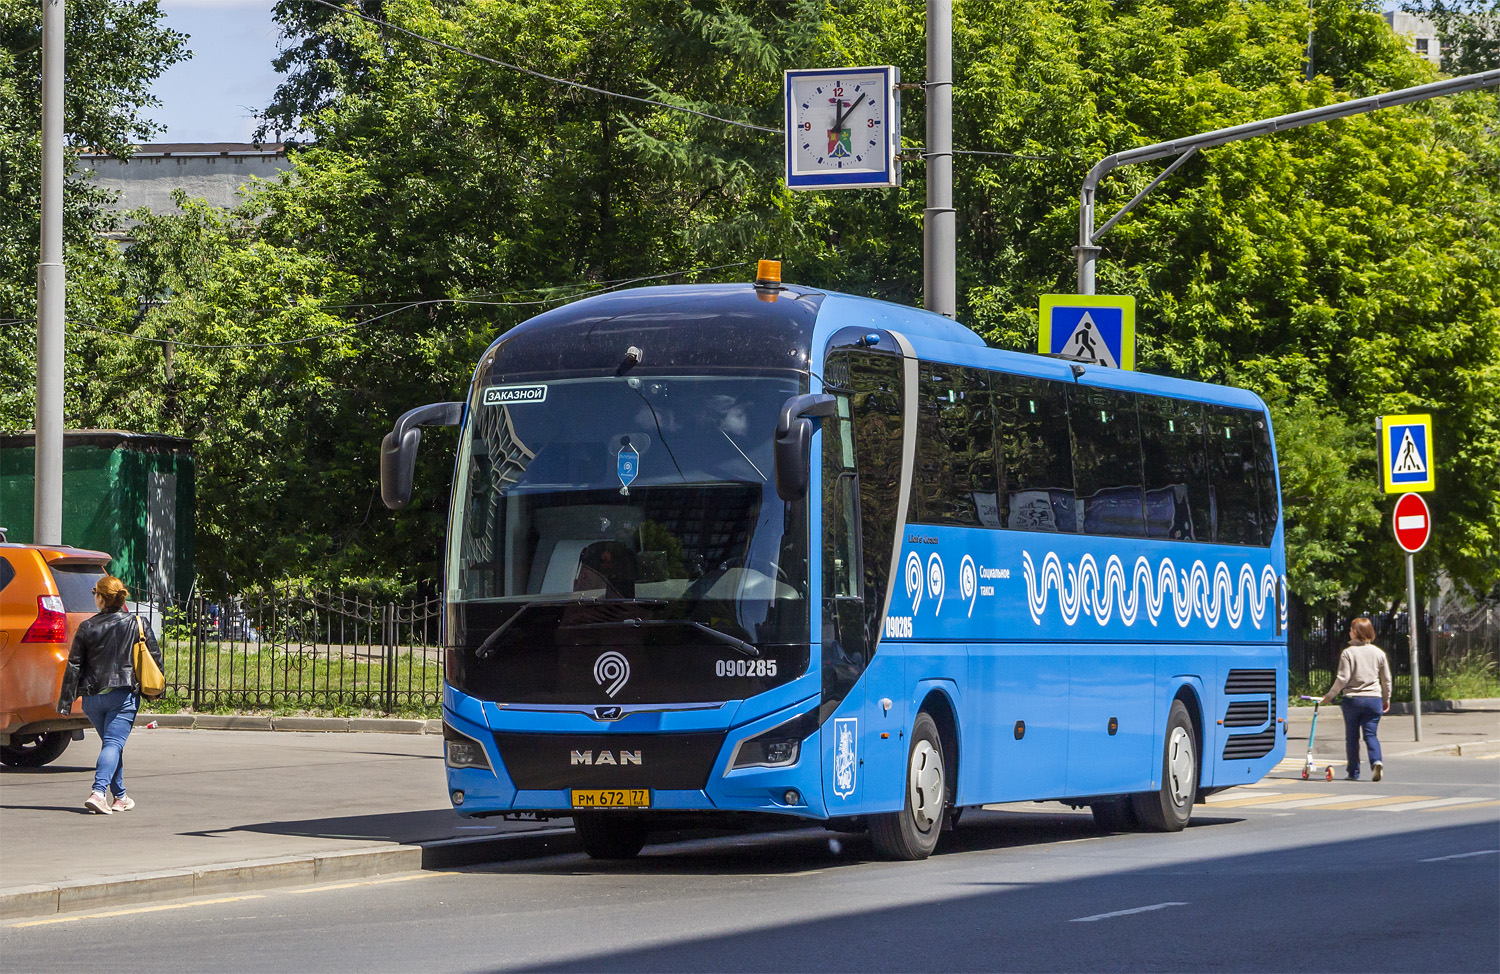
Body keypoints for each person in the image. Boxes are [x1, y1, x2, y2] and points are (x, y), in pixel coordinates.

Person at [66, 576, 163, 814]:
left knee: (111, 745)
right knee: (112, 744)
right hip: (123, 696)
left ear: (100, 598)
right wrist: (155, 692)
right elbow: (155, 658)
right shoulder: (137, 623)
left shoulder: (87, 626)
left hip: (92, 699)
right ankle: (98, 793)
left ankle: (120, 796)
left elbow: (74, 665)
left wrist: (65, 700)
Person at [1321, 617, 1393, 782]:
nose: (1349, 631)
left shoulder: (1348, 653)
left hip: (1352, 700)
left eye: (1352, 629)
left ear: (1358, 632)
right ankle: (1376, 762)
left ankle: (1353, 772)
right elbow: (1386, 679)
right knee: (1370, 734)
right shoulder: (1379, 653)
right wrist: (1386, 698)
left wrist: (1330, 695)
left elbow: (1342, 678)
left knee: (1352, 737)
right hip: (1374, 700)